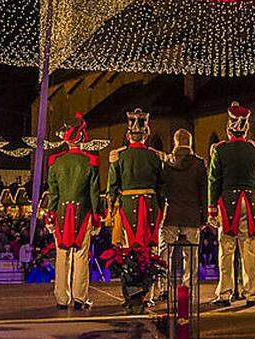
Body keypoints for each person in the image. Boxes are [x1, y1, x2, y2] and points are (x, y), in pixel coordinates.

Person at [207, 102, 255, 307]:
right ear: (247, 128)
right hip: (250, 201)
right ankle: (251, 293)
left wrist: (211, 208)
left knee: (226, 249)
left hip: (227, 203)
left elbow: (214, 180)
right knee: (250, 249)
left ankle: (225, 293)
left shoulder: (220, 150)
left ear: (228, 128)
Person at [46, 112, 102, 310]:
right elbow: (94, 194)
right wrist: (97, 217)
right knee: (81, 255)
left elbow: (53, 193)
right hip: (83, 212)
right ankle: (80, 297)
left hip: (61, 212)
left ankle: (62, 297)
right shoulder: (91, 162)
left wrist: (49, 214)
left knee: (62, 255)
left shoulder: (55, 162)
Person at [158, 128, 207, 299]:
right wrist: (204, 217)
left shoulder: (166, 162)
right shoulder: (199, 164)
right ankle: (189, 289)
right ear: (190, 142)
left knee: (165, 253)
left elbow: (161, 189)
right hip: (191, 214)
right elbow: (203, 192)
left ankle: (163, 288)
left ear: (175, 142)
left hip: (170, 213)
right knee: (191, 256)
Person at [108, 109, 165, 249]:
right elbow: (162, 186)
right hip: (150, 203)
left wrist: (110, 210)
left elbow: (113, 186)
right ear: (146, 135)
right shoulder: (155, 156)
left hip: (127, 204)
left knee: (128, 244)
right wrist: (162, 207)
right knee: (150, 247)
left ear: (128, 135)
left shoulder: (119, 156)